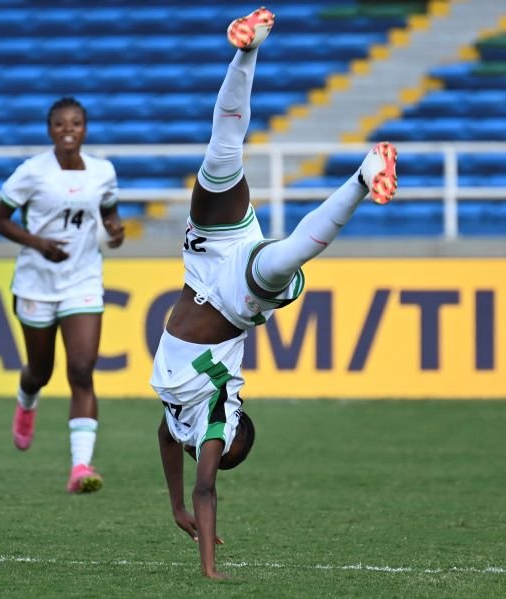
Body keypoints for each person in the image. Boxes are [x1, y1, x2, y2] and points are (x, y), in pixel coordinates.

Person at [150, 7, 398, 578]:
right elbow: (208, 488)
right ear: (235, 430)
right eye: (224, 450)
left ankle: (248, 48)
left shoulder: (182, 421)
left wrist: (175, 507)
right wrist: (207, 562)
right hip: (235, 298)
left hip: (204, 261)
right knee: (289, 255)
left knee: (222, 152)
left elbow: (167, 442)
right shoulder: (214, 414)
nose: (209, 453)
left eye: (216, 454)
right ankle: (364, 176)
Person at [0, 96, 126, 494]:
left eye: (77, 123)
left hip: (83, 279)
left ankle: (80, 466)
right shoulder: (32, 172)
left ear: (85, 129)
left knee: (82, 368)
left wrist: (116, 233)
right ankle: (27, 400)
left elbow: (110, 216)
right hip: (37, 282)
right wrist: (37, 243)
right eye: (61, 124)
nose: (69, 129)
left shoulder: (103, 172)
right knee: (40, 371)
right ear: (50, 130)